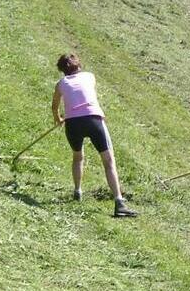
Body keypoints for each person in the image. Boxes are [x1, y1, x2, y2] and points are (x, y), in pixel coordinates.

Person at [51, 54, 137, 218]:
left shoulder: (60, 84)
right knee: (108, 161)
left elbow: (54, 106)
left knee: (78, 157)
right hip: (93, 120)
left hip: (73, 124)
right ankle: (119, 202)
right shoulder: (89, 76)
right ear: (79, 65)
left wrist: (58, 119)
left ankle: (77, 191)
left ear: (62, 70)